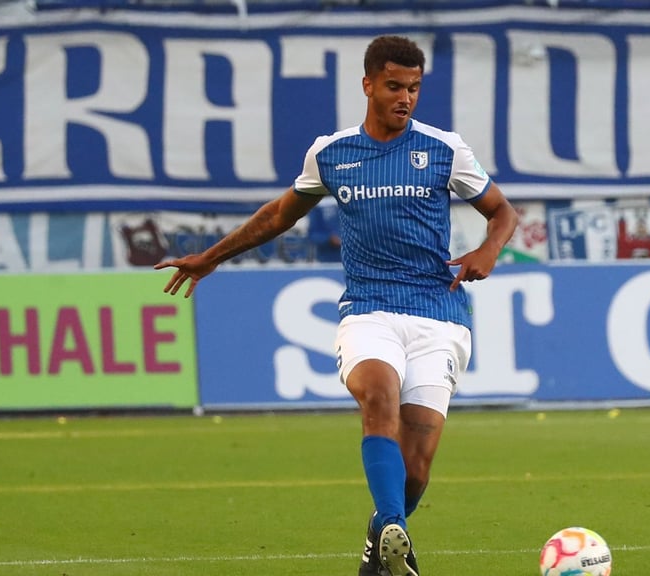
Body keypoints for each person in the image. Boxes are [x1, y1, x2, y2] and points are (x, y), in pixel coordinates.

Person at [156, 35, 518, 576]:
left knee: (415, 469)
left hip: (438, 312)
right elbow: (279, 216)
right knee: (378, 395)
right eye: (394, 86)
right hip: (368, 309)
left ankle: (382, 536)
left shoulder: (445, 150)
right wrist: (211, 256)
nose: (405, 98)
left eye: (414, 88)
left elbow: (502, 211)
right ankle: (394, 529)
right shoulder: (332, 153)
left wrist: (489, 250)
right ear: (368, 84)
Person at [307, 197, 342, 263]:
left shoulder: (349, 201)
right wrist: (329, 239)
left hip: (349, 260)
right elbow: (312, 235)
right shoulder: (317, 207)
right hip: (326, 259)